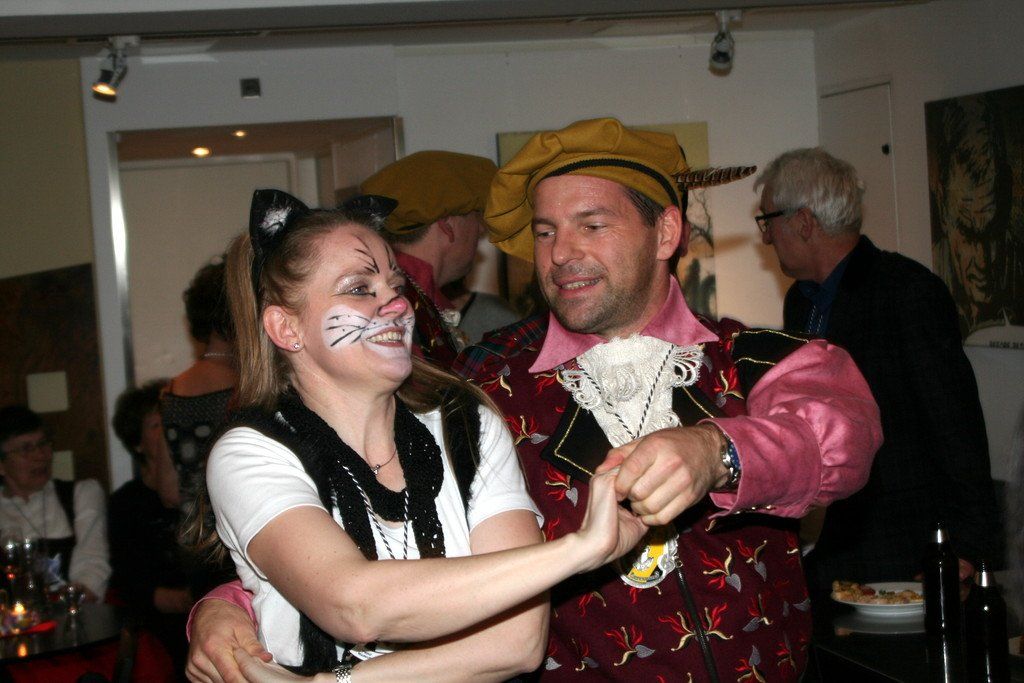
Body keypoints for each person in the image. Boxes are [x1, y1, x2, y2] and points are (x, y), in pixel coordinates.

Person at [189, 119, 882, 682]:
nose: (561, 254)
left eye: (592, 225)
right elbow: (346, 514)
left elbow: (841, 436)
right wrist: (230, 604)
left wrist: (716, 450)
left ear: (666, 233)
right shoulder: (480, 385)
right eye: (545, 232)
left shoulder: (759, 358)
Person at [185, 188, 646, 682]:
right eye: (359, 289)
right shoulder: (252, 452)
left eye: (396, 284)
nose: (395, 304)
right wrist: (581, 548)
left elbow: (517, 642)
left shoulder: (466, 424)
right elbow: (353, 604)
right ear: (286, 328)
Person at [757, 147, 1000, 590]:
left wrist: (966, 546)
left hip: (902, 545)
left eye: (767, 220)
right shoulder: (801, 301)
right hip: (831, 544)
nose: (767, 237)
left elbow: (955, 422)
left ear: (804, 221)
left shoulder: (906, 291)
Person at [360, 150, 514, 364]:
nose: (480, 230)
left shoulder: (406, 294)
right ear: (448, 224)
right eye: (475, 217)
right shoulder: (404, 304)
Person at [110, 380, 196, 673]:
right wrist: (177, 600)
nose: (168, 430)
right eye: (157, 425)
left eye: (171, 420)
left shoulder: (201, 489)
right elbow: (128, 580)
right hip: (157, 626)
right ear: (137, 443)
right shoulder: (126, 503)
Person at [927, 92, 1024, 340]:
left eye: (992, 234)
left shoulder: (1019, 271)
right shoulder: (923, 285)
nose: (983, 261)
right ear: (942, 207)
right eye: (969, 236)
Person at [0, 405, 110, 601]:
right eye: (26, 449)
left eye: (43, 444)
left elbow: (92, 566)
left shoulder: (81, 493)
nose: (41, 456)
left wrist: (69, 608)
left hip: (74, 610)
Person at [162, 258, 239, 510]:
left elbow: (169, 489)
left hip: (190, 528)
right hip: (231, 527)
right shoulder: (246, 388)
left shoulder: (170, 391)